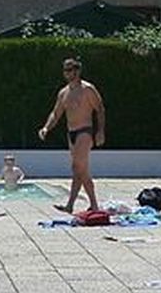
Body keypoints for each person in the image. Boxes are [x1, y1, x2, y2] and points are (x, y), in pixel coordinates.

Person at [38, 55, 105, 213]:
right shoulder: (64, 93)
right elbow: (56, 113)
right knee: (79, 170)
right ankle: (78, 205)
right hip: (72, 133)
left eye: (71, 69)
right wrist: (46, 128)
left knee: (78, 166)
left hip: (85, 131)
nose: (68, 73)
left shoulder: (88, 89)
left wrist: (100, 131)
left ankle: (89, 204)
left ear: (77, 71)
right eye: (65, 70)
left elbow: (100, 109)